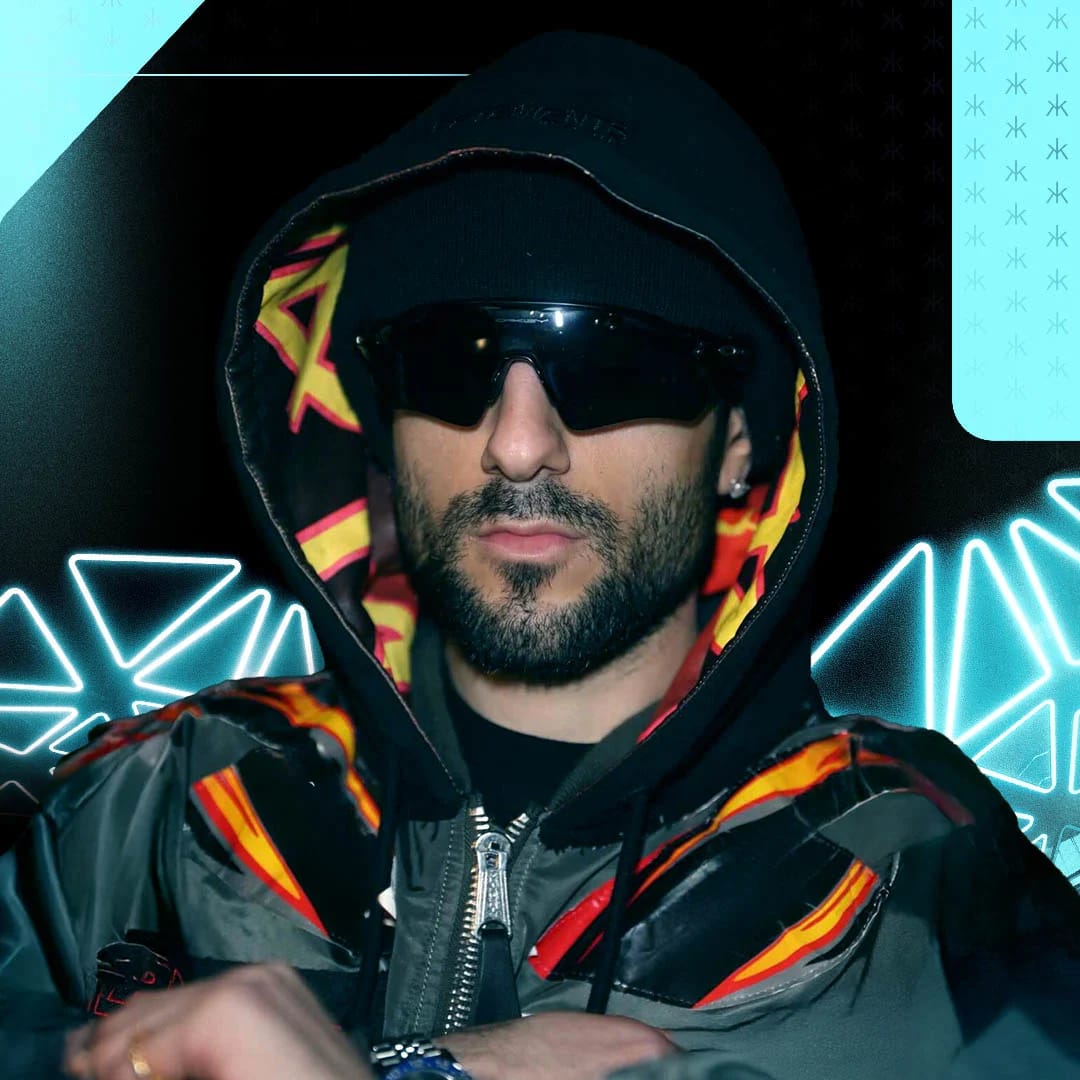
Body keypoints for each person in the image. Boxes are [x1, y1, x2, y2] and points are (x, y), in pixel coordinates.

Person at [2, 28, 1079, 1080]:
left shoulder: (916, 861)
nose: (518, 444)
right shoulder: (165, 798)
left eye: (616, 364)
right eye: (449, 361)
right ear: (380, 427)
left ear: (741, 445)